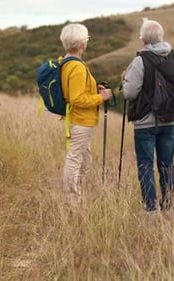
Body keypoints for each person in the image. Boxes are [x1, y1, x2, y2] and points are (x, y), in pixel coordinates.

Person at [121, 18, 174, 212]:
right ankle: (168, 206)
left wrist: (125, 80)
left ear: (144, 40)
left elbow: (129, 93)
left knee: (145, 165)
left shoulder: (140, 61)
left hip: (145, 123)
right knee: (167, 164)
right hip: (170, 121)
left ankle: (150, 209)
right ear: (161, 37)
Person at [59, 23, 112, 209]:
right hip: (80, 120)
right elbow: (77, 98)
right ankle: (71, 204)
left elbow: (75, 91)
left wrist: (93, 89)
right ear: (82, 43)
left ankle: (76, 198)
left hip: (77, 119)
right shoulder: (77, 67)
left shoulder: (66, 62)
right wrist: (100, 97)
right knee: (74, 160)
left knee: (84, 160)